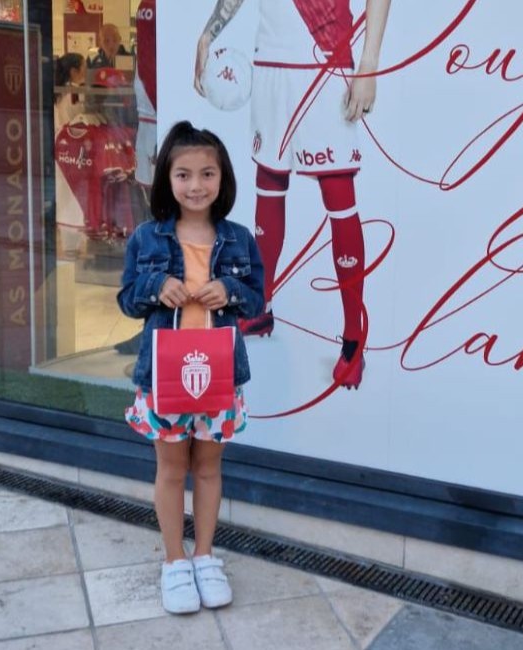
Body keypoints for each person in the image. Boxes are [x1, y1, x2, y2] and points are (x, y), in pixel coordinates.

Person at [193, 0, 391, 389]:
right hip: (270, 61)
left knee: (339, 198)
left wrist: (369, 65)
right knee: (269, 187)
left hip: (324, 57)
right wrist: (208, 34)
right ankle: (260, 307)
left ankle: (354, 339)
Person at [117, 121, 264, 614]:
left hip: (219, 375)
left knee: (208, 467)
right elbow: (127, 301)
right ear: (167, 178)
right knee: (170, 468)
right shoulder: (147, 238)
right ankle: (174, 562)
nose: (196, 185)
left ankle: (204, 555)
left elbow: (257, 301)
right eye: (183, 174)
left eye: (207, 174)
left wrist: (233, 291)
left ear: (223, 179)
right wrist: (154, 287)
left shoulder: (239, 239)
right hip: (164, 376)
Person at [53, 53, 86, 132]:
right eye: (84, 67)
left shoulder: (59, 91)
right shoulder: (76, 93)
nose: (87, 70)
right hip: (72, 134)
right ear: (73, 71)